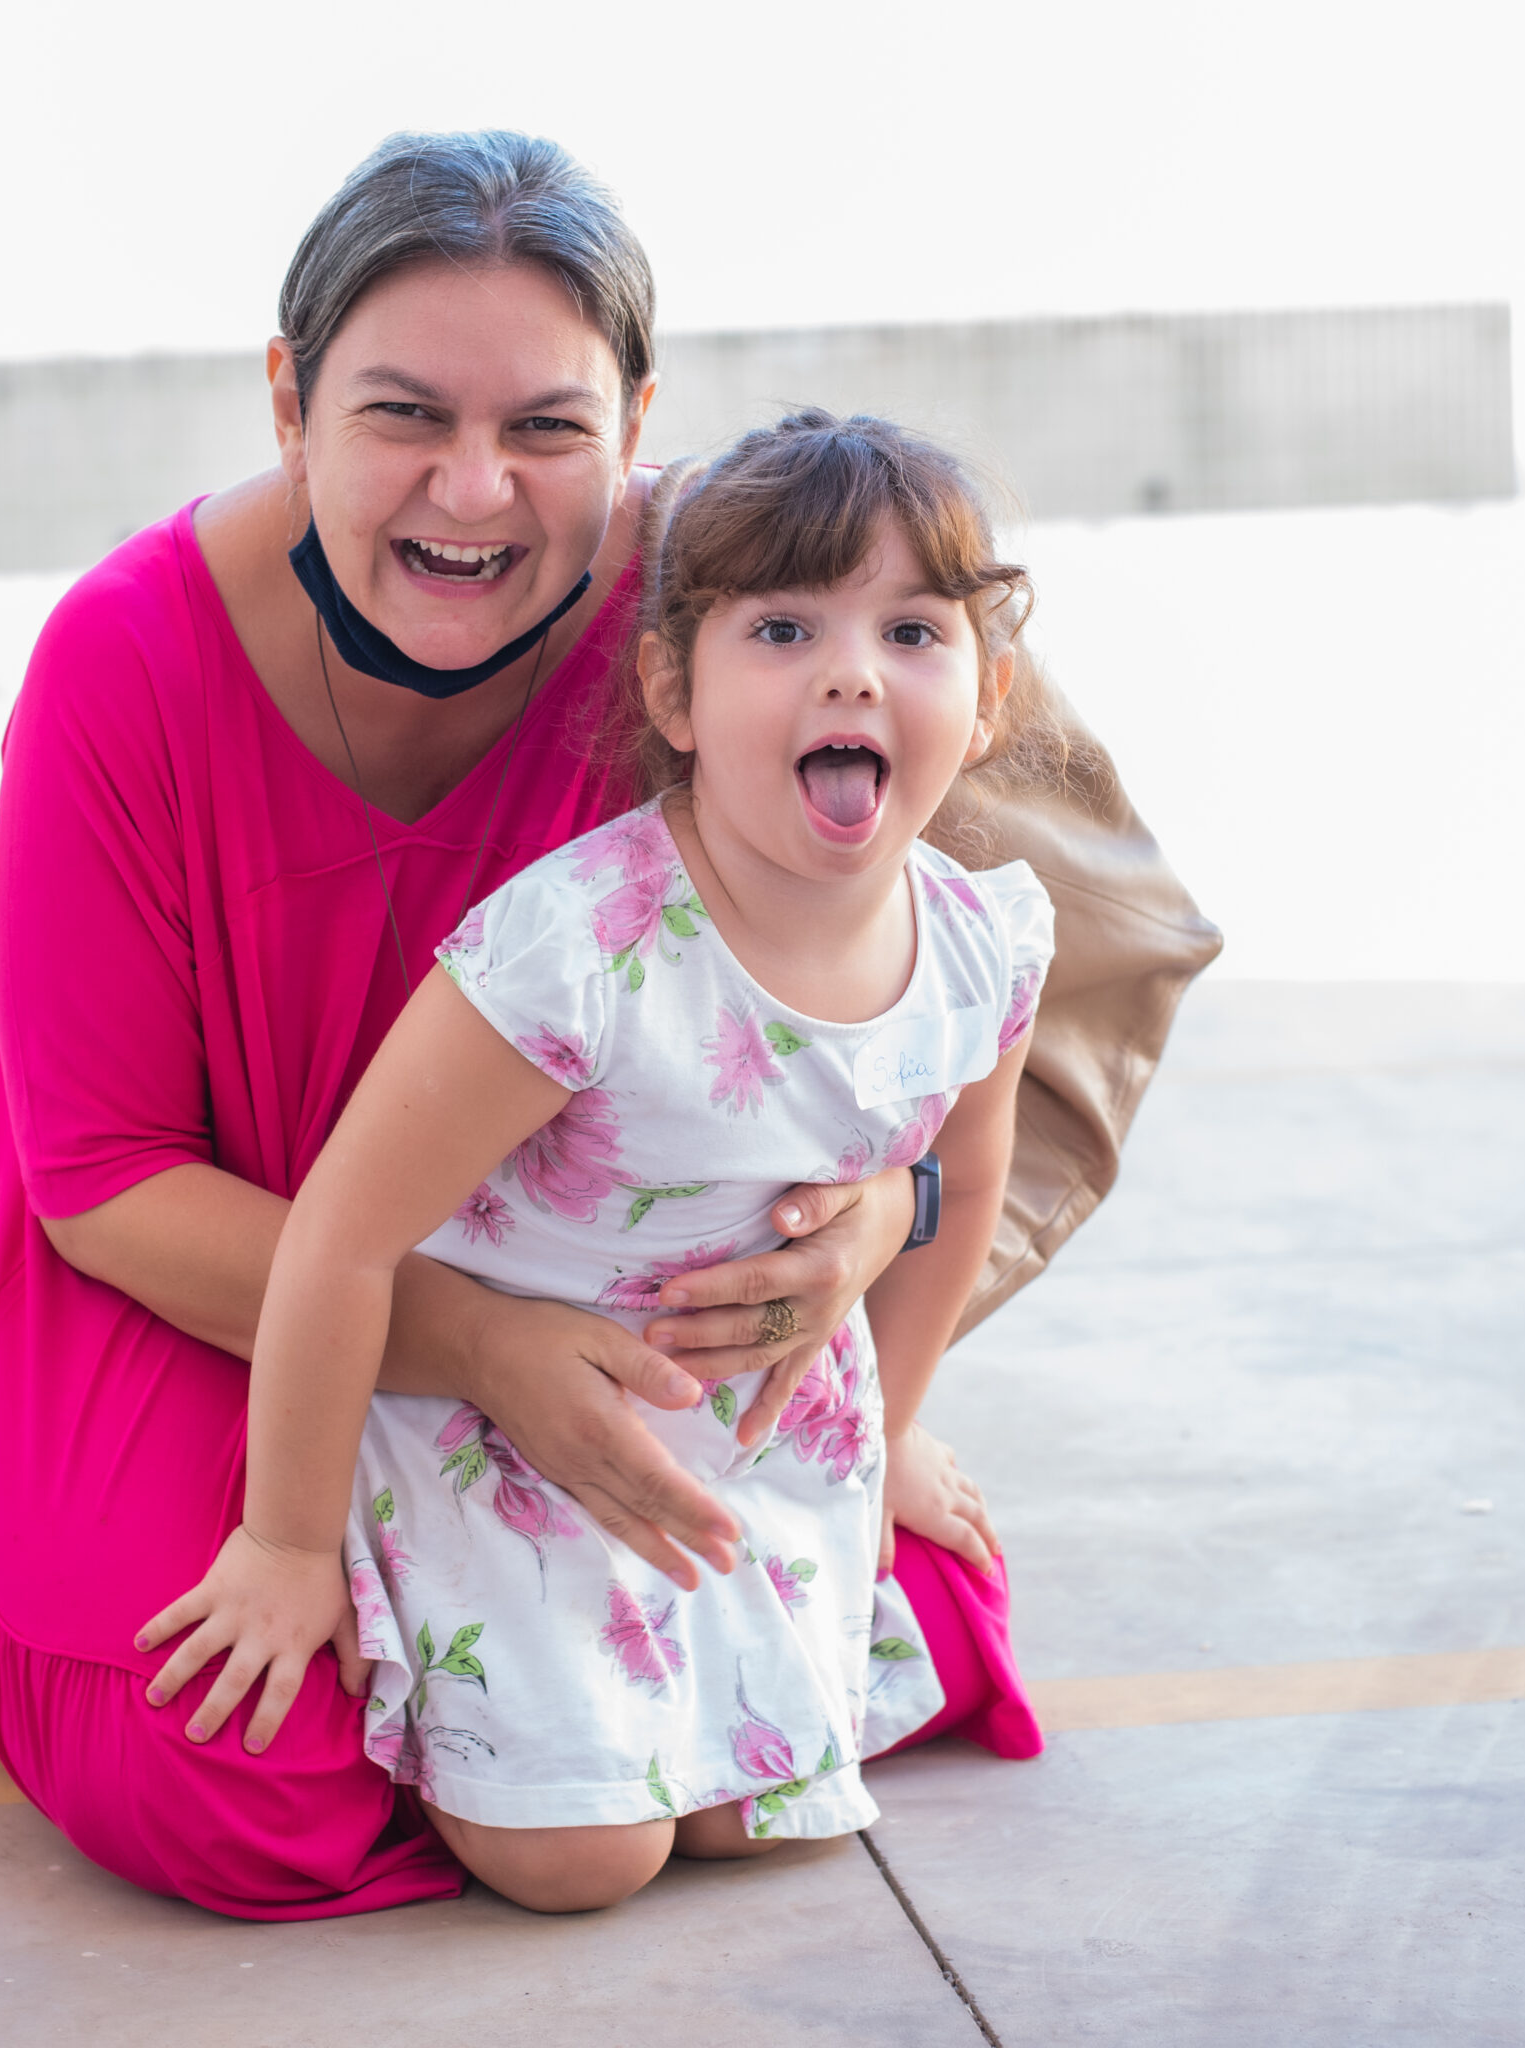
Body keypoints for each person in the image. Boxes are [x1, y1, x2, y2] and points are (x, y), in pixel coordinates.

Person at [0, 129, 1220, 1922]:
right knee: (233, 1758)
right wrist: (479, 1347)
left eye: (545, 425)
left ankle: (578, 1729)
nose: (474, 490)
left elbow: (954, 988)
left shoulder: (741, 600)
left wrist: (870, 1243)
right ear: (288, 401)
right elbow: (107, 1183)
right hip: (202, 1266)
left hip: (591, 1270)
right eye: (401, 415)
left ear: (638, 419)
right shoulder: (122, 660)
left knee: (912, 1607)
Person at [140, 412, 1056, 1914]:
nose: (852, 674)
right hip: (509, 1429)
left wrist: (894, 1432)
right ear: (671, 692)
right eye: (783, 630)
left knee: (764, 1820)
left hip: (752, 1428)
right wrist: (284, 1543)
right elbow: (341, 1238)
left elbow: (956, 1186)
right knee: (579, 1859)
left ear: (989, 693)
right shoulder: (583, 949)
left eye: (911, 631)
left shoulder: (983, 943)